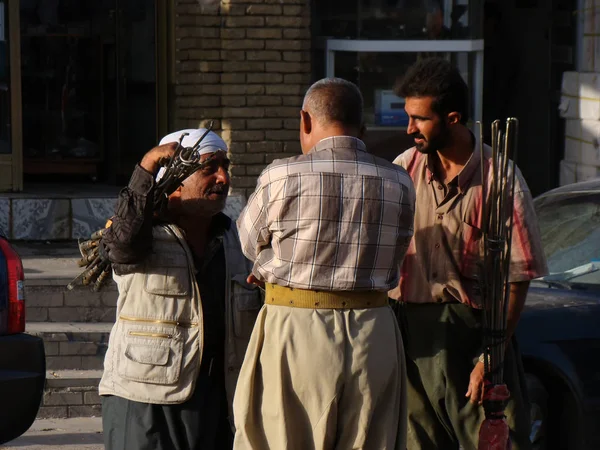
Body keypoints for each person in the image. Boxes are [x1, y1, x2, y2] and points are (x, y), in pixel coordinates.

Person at [233, 78, 416, 450]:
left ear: (305, 120)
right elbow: (397, 253)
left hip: (296, 326)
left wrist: (275, 263)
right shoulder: (399, 180)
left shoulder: (281, 175)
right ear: (362, 128)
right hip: (374, 331)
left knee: (281, 440)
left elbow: (248, 244)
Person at [389, 57, 548, 450]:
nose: (409, 129)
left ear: (453, 118)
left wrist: (488, 358)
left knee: (494, 442)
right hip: (412, 338)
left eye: (420, 119)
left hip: (476, 337)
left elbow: (517, 280)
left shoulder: (501, 181)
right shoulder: (402, 171)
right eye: (408, 117)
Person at [99, 128, 263, 450]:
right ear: (175, 180)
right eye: (209, 168)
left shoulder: (238, 240)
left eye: (225, 167)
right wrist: (147, 167)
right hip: (145, 402)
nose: (223, 178)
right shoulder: (141, 232)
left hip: (218, 401)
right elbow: (122, 248)